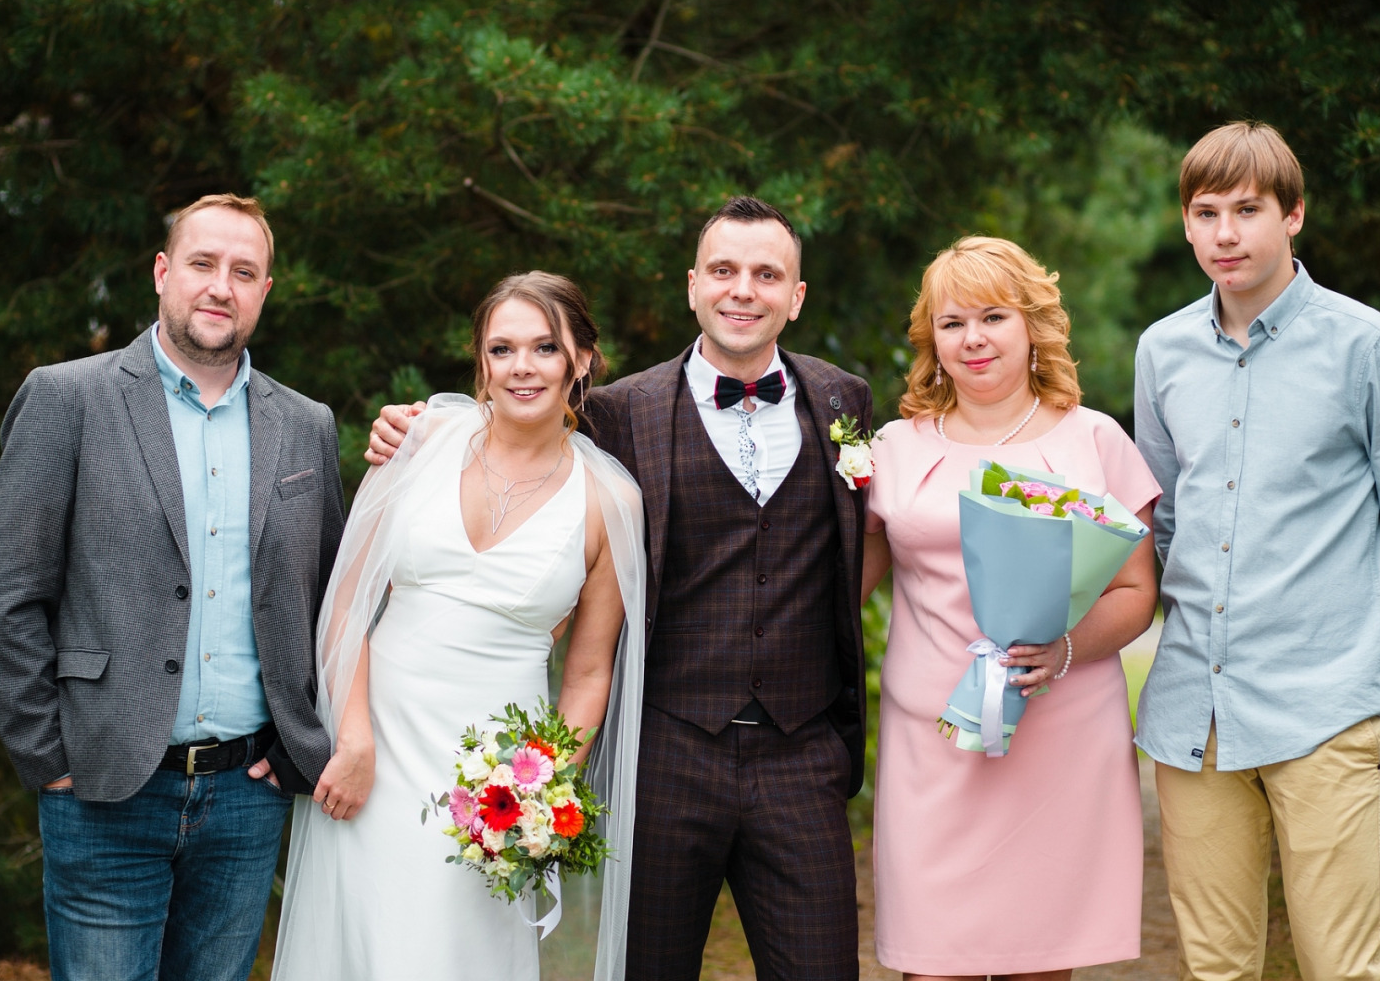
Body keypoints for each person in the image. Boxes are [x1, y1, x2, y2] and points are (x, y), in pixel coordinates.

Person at [370, 196, 872, 980]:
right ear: (692, 286)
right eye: (723, 271)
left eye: (766, 274)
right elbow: (515, 425)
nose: (743, 289)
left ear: (795, 297)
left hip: (801, 752)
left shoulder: (843, 400)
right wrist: (417, 427)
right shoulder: (618, 411)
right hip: (667, 750)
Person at [0, 194, 345, 981]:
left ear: (265, 291)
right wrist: (48, 757)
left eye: (244, 272)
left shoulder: (306, 423)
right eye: (203, 264)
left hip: (247, 796)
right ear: (162, 272)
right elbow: (9, 596)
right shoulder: (67, 398)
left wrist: (292, 746)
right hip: (104, 787)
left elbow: (329, 601)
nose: (221, 286)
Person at [1133, 121, 1380, 981]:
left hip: (1326, 708)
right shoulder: (1160, 351)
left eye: (1247, 209)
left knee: (1342, 967)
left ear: (1294, 215)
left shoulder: (1369, 347)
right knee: (1215, 970)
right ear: (1186, 223)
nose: (1225, 234)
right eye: (1205, 212)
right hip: (1191, 712)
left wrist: (1374, 670)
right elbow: (1163, 524)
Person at [272, 271, 647, 981]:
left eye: (544, 348)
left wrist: (539, 795)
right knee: (363, 948)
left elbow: (590, 670)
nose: (522, 367)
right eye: (501, 349)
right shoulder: (423, 440)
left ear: (582, 359)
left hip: (490, 777)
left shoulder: (611, 501)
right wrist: (349, 739)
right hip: (374, 745)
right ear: (480, 362)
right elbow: (346, 602)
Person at [859, 235, 1161, 981]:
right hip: (929, 739)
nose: (972, 339)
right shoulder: (894, 446)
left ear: (1032, 325)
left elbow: (1134, 593)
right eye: (952, 321)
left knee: (1040, 962)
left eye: (992, 316)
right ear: (932, 337)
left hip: (1060, 736)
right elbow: (841, 583)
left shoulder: (1094, 440)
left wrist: (1057, 653)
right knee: (931, 962)